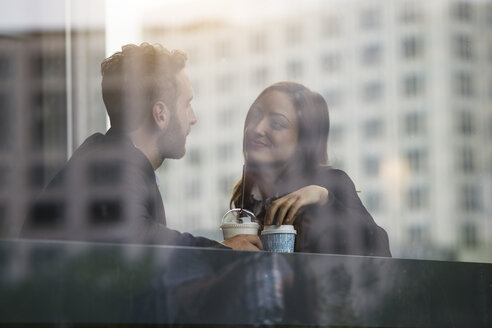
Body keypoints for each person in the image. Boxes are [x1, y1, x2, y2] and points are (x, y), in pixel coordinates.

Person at [21, 42, 261, 251]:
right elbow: (139, 239)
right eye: (187, 104)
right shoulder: (112, 165)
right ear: (160, 114)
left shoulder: (110, 157)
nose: (193, 117)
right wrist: (221, 251)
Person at [230, 82, 391, 256]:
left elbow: (380, 252)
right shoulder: (248, 196)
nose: (257, 129)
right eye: (254, 117)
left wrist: (325, 200)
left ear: (303, 139)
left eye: (277, 124)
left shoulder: (330, 183)